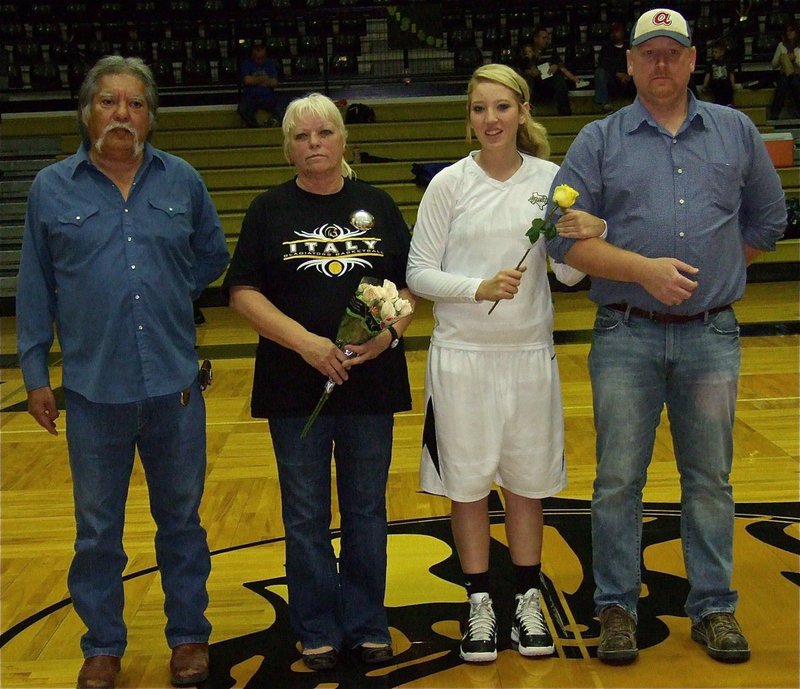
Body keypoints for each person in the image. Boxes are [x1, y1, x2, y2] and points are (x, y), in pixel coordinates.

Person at [547, 8, 786, 666]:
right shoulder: (598, 140)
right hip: (626, 335)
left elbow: (768, 220)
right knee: (618, 479)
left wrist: (718, 273)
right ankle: (617, 606)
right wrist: (643, 272)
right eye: (647, 53)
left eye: (671, 53)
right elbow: (559, 236)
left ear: (691, 60)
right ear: (628, 63)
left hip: (712, 336)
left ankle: (713, 607)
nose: (660, 64)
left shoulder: (736, 131)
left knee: (709, 479)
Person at [15, 56, 230, 688]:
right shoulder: (50, 190)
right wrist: (34, 374)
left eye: (135, 105)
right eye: (109, 102)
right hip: (91, 393)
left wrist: (165, 290)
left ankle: (189, 637)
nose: (122, 115)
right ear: (87, 113)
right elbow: (35, 287)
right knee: (97, 532)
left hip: (176, 389)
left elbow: (212, 253)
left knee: (183, 524)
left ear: (151, 119)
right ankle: (102, 645)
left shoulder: (182, 180)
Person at [406, 63, 605, 663]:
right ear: (468, 117)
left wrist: (592, 229)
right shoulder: (449, 184)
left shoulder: (552, 181)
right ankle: (479, 605)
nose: (489, 119)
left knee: (526, 486)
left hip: (528, 358)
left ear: (522, 112)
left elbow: (570, 272)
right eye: (478, 109)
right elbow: (417, 272)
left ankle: (525, 598)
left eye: (500, 107)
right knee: (466, 489)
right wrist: (477, 287)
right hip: (462, 358)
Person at [225, 93, 414, 671]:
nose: (314, 144)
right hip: (292, 385)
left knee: (365, 509)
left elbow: (408, 288)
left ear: (342, 141)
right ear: (288, 148)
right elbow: (242, 292)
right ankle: (316, 629)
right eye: (302, 137)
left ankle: (366, 623)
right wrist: (305, 343)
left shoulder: (377, 205)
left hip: (369, 385)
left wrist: (387, 336)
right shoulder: (267, 210)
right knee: (305, 513)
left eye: (324, 134)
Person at [517, 28, 578, 115]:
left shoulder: (551, 50)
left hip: (547, 81)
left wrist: (555, 66)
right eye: (544, 38)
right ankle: (526, 113)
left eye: (547, 38)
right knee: (528, 81)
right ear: (536, 39)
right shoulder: (527, 51)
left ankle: (565, 113)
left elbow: (561, 66)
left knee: (559, 79)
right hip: (534, 82)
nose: (546, 40)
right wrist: (531, 71)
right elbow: (521, 71)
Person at [238, 43, 284, 128]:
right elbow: (247, 81)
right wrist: (264, 78)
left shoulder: (269, 64)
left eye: (262, 58)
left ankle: (273, 121)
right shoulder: (247, 64)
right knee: (242, 108)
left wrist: (255, 80)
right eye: (257, 58)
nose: (260, 61)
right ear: (253, 55)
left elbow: (274, 82)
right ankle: (255, 126)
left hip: (267, 97)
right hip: (251, 97)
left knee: (284, 103)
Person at [594, 21, 636, 113]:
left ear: (622, 32)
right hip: (613, 82)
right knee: (599, 72)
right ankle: (605, 104)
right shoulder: (606, 48)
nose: (614, 34)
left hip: (629, 82)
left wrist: (629, 75)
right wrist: (617, 74)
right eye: (612, 32)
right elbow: (603, 64)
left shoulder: (630, 47)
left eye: (617, 31)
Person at [768, 22, 800, 120]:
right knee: (782, 84)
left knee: (796, 83)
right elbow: (774, 65)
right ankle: (774, 113)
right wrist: (781, 58)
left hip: (797, 74)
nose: (789, 33)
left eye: (792, 31)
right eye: (787, 31)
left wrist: (794, 60)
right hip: (785, 74)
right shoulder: (781, 45)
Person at [702, 40, 736, 106]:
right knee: (717, 85)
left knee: (726, 85)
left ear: (722, 52)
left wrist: (733, 85)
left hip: (726, 83)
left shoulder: (727, 62)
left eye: (716, 52)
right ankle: (719, 103)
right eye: (713, 52)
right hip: (715, 83)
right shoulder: (711, 63)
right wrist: (704, 85)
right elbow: (708, 75)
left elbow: (731, 74)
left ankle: (728, 103)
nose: (714, 54)